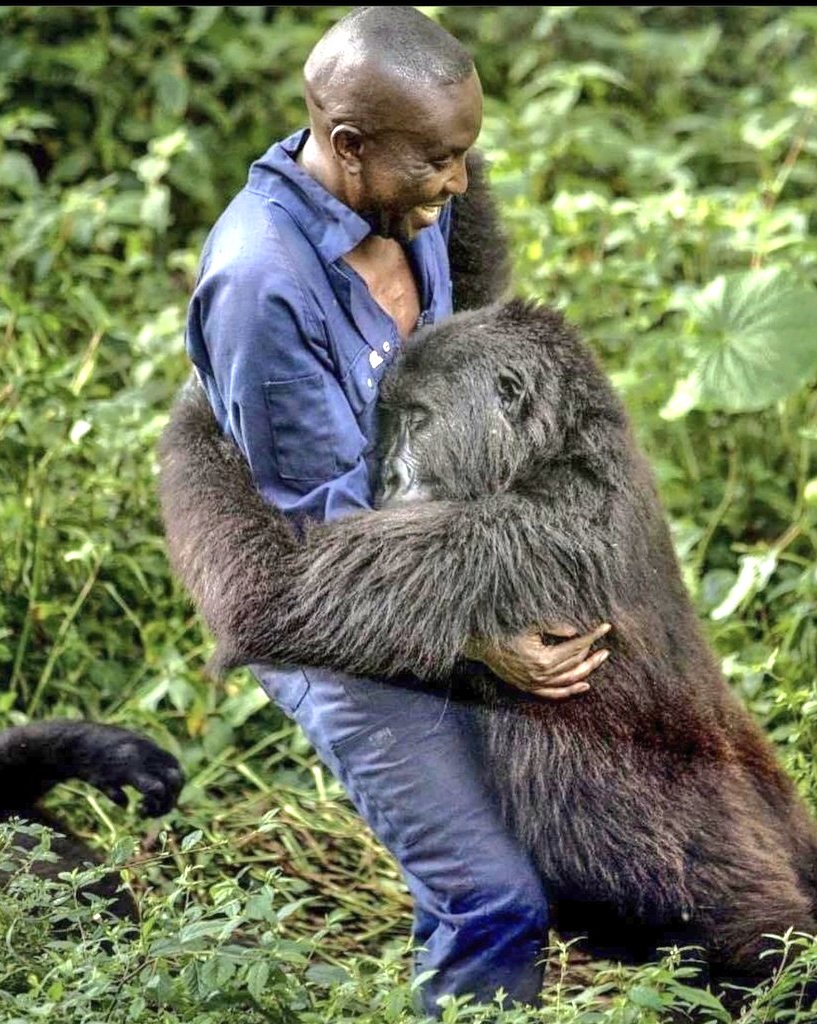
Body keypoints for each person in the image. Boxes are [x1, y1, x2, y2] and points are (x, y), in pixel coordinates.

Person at [182, 6, 609, 1014]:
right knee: (489, 896)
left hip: (433, 554)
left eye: (465, 157)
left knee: (563, 850)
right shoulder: (262, 285)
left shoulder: (408, 202)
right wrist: (482, 639)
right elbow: (326, 539)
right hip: (333, 611)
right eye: (437, 162)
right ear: (347, 146)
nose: (458, 185)